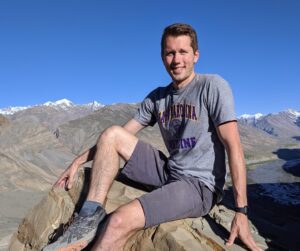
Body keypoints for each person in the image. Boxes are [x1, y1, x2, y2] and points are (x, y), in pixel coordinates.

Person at [44, 23, 262, 251]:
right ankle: (89, 217)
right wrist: (78, 162)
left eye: (183, 52)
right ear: (162, 57)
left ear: (196, 55)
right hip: (170, 171)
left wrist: (241, 211)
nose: (176, 60)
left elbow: (234, 146)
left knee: (119, 220)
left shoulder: (212, 86)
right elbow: (120, 135)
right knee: (111, 134)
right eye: (170, 53)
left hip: (199, 186)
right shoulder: (158, 98)